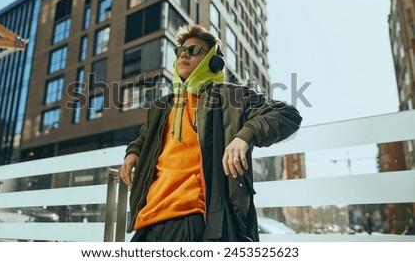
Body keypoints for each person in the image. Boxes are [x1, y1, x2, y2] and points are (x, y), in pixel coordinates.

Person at [120, 24, 302, 241]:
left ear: (213, 61)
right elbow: (144, 136)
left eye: (194, 50)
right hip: (147, 220)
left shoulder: (228, 97)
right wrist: (133, 152)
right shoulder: (162, 107)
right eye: (180, 51)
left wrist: (244, 136)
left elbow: (287, 114)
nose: (184, 54)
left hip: (192, 218)